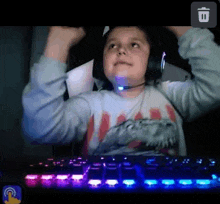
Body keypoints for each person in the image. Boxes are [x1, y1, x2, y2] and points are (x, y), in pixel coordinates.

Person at [21, 26, 220, 157]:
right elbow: (40, 128)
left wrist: (184, 30)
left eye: (134, 45)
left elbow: (216, 85)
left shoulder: (171, 95)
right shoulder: (89, 104)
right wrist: (58, 44)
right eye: (112, 45)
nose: (121, 50)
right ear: (101, 64)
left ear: (152, 60)